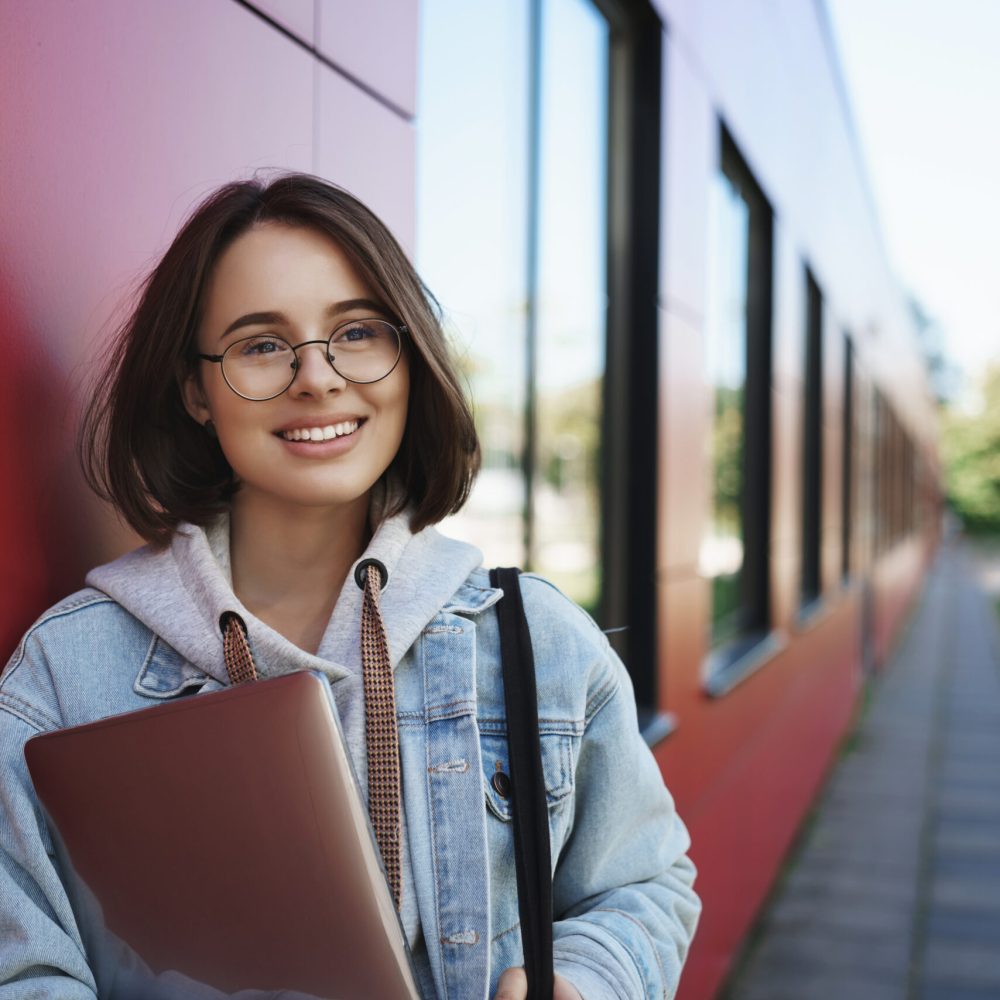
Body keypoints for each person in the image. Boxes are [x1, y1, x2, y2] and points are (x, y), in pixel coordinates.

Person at [0, 173, 700, 999]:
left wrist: (583, 983)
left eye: (358, 332)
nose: (318, 378)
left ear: (409, 356)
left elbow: (643, 886)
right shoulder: (66, 675)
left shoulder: (536, 637)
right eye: (261, 344)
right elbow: (26, 969)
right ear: (195, 390)